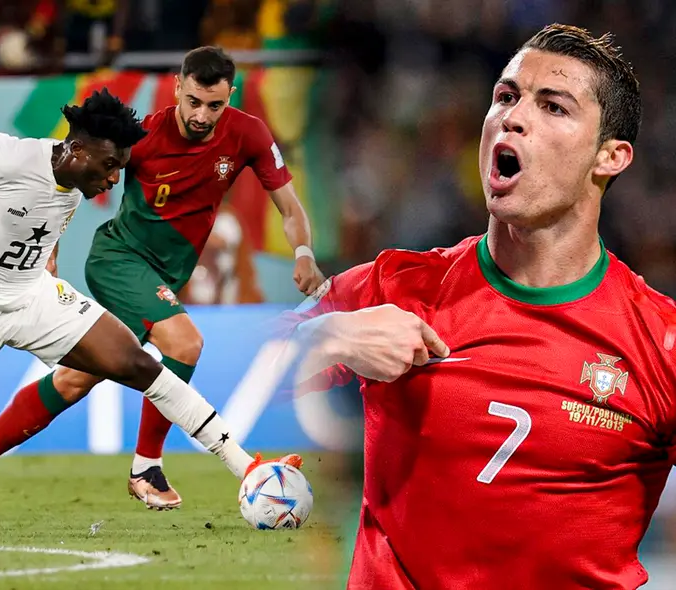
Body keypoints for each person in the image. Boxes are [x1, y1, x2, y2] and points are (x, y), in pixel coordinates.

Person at [283, 23, 669, 589]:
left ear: (610, 157)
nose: (512, 117)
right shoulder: (397, 287)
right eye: (506, 97)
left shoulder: (658, 341)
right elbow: (224, 371)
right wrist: (327, 336)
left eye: (553, 107)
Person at [0, 89, 302, 520]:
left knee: (137, 363)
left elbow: (42, 225)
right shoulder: (11, 155)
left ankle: (247, 467)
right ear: (78, 151)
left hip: (32, 296)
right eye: (109, 166)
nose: (112, 179)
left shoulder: (75, 181)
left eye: (120, 168)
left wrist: (49, 271)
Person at [0, 46, 324, 510]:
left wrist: (303, 253)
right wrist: (50, 247)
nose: (202, 115)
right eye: (194, 101)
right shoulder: (141, 138)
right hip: (118, 260)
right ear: (178, 88)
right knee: (184, 344)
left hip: (162, 274)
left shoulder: (248, 134)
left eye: (215, 105)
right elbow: (69, 181)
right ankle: (146, 467)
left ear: (230, 97)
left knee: (73, 381)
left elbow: (290, 205)